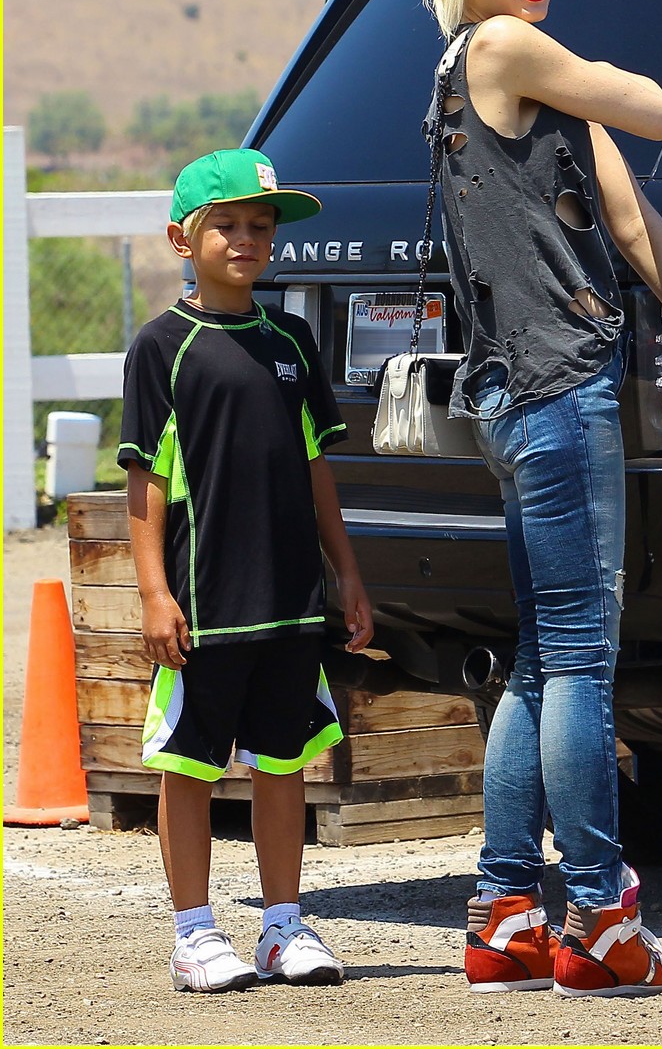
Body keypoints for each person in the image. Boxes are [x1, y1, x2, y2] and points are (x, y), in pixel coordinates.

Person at [418, 0, 662, 999]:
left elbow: (631, 219)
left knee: (540, 658)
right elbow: (660, 112)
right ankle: (602, 917)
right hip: (559, 395)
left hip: (523, 399)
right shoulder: (504, 50)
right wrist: (595, 74)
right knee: (578, 659)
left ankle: (505, 915)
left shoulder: (506, 72)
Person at [118, 148, 374, 993]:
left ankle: (282, 927)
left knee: (283, 761)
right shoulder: (161, 347)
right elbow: (146, 480)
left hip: (291, 603)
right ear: (181, 240)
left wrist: (346, 574)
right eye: (224, 224)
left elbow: (315, 468)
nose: (245, 239)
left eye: (260, 225)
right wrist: (154, 592)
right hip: (204, 604)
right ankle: (194, 934)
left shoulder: (291, 340)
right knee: (189, 768)